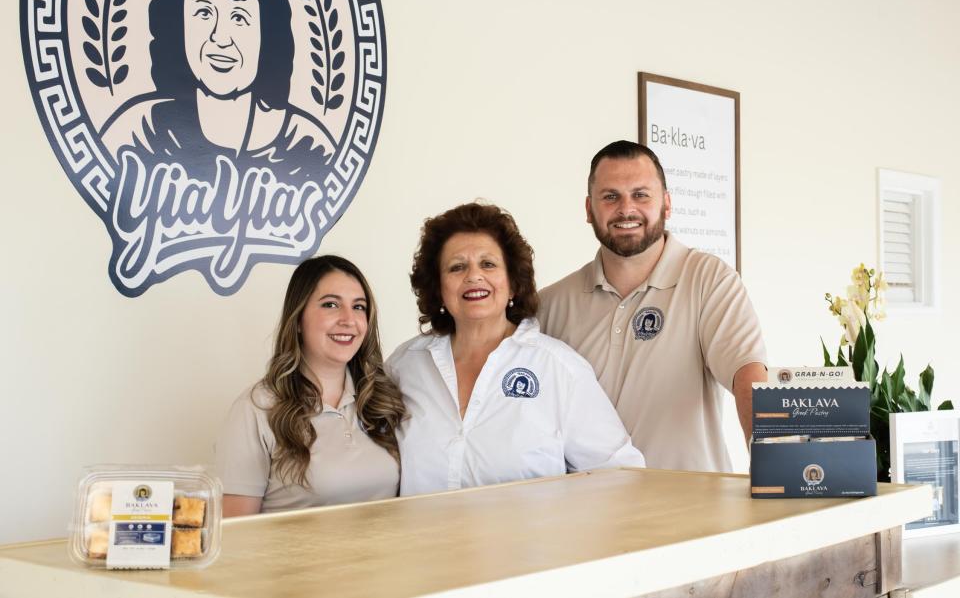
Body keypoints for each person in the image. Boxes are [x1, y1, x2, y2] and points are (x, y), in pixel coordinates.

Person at [538, 141, 767, 473]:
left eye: (641, 195)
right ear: (589, 209)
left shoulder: (708, 280)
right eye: (610, 196)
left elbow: (748, 377)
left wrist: (774, 468)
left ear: (667, 204)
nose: (626, 209)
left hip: (692, 514)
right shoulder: (550, 305)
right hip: (588, 515)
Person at [386, 202, 645, 496]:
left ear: (512, 284)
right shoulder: (404, 366)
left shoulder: (558, 368)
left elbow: (622, 477)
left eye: (488, 264)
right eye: (457, 267)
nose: (473, 276)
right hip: (421, 541)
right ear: (438, 288)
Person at [100, 0, 336, 179]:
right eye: (204, 13)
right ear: (177, 21)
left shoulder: (308, 144)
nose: (220, 37)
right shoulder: (138, 130)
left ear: (267, 32)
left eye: (239, 17)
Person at [216, 255, 405, 516]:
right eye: (331, 305)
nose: (349, 319)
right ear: (297, 320)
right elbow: (235, 531)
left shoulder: (382, 400)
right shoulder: (256, 409)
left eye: (359, 307)